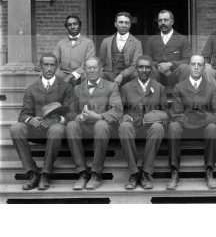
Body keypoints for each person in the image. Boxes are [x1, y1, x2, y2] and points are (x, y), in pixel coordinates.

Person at [10, 53, 74, 190]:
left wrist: (58, 119)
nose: (49, 68)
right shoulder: (31, 89)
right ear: (41, 67)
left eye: (52, 65)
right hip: (37, 129)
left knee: (56, 129)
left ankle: (46, 173)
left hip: (56, 130)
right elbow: (23, 114)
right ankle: (32, 172)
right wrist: (30, 119)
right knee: (16, 128)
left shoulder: (66, 87)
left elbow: (72, 113)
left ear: (56, 67)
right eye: (46, 65)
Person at [66, 57, 123, 190]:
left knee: (101, 125)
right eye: (88, 68)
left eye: (94, 67)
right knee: (71, 125)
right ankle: (82, 173)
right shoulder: (77, 89)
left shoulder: (111, 86)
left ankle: (96, 173)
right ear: (84, 71)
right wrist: (78, 117)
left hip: (104, 127)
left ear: (100, 69)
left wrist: (99, 116)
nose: (91, 70)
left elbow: (117, 110)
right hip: (84, 126)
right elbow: (69, 112)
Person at [167, 54, 216, 190]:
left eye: (199, 64)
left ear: (204, 67)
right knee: (173, 127)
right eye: (193, 64)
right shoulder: (179, 87)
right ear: (189, 66)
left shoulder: (211, 87)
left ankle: (209, 171)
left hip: (204, 125)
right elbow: (175, 113)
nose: (196, 67)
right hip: (185, 125)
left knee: (213, 128)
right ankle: (174, 171)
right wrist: (190, 119)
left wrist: (203, 118)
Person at [119, 55, 168, 190]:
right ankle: (134, 173)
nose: (144, 70)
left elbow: (166, 113)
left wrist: (153, 117)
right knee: (124, 127)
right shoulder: (126, 88)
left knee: (158, 127)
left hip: (150, 127)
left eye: (147, 67)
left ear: (151, 69)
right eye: (141, 67)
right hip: (133, 126)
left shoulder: (159, 88)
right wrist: (125, 117)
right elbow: (119, 111)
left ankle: (146, 173)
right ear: (136, 69)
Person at [145, 10, 191, 87]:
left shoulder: (182, 39)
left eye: (165, 20)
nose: (162, 23)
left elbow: (187, 60)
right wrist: (158, 65)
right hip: (157, 74)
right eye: (160, 20)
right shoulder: (151, 40)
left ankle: (181, 95)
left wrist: (170, 64)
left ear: (172, 22)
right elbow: (146, 59)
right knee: (149, 68)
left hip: (175, 74)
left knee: (185, 68)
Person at [99, 11, 143, 86]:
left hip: (128, 76)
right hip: (109, 76)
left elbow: (135, 64)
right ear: (115, 24)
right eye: (121, 22)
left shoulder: (137, 43)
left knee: (136, 75)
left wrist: (122, 75)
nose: (124, 25)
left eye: (126, 23)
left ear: (130, 25)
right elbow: (101, 62)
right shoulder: (106, 41)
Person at [53, 15, 96, 86]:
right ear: (66, 27)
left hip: (82, 75)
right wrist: (58, 73)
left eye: (75, 24)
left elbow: (89, 62)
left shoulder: (88, 42)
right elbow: (54, 60)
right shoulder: (61, 43)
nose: (72, 27)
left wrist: (73, 75)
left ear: (80, 25)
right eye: (69, 25)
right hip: (63, 74)